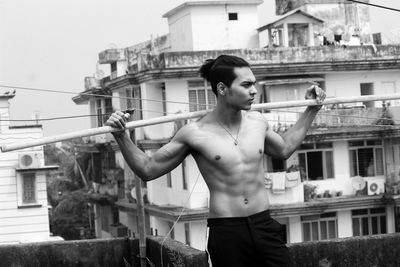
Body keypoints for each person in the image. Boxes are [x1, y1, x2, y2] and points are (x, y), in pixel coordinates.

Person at [106, 55, 326, 267]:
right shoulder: (195, 133)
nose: (254, 91)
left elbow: (284, 148)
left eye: (254, 84)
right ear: (222, 89)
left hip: (264, 225)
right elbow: (147, 169)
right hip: (227, 231)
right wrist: (121, 135)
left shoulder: (258, 122)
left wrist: (311, 109)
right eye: (246, 85)